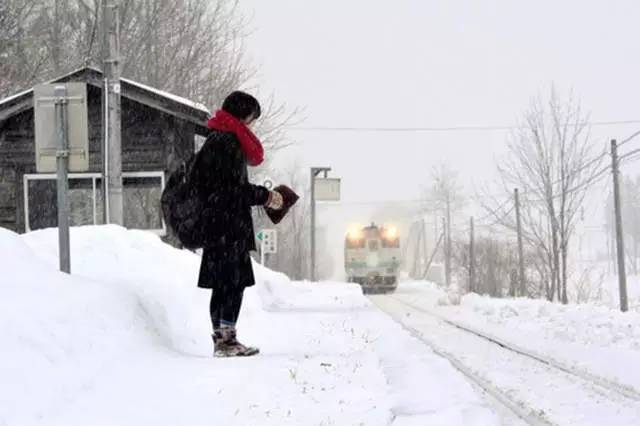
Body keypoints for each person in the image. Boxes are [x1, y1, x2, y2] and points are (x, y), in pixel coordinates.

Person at [192, 91, 283, 357]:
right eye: (252, 119)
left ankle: (222, 341)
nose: (252, 126)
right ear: (243, 116)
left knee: (223, 284)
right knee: (232, 284)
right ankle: (227, 342)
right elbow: (232, 190)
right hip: (228, 227)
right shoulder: (229, 143)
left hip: (215, 226)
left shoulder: (215, 140)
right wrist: (266, 196)